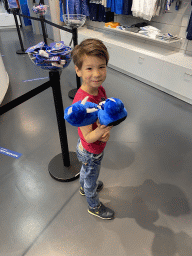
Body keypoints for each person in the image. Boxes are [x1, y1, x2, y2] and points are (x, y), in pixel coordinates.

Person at [71, 38, 114, 220]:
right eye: (89, 68)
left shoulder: (100, 90)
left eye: (101, 67)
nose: (97, 74)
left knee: (86, 171)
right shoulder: (82, 104)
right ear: (78, 70)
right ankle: (93, 205)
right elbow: (88, 137)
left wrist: (106, 127)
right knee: (91, 178)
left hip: (91, 148)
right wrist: (103, 131)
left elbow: (103, 111)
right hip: (90, 150)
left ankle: (83, 186)